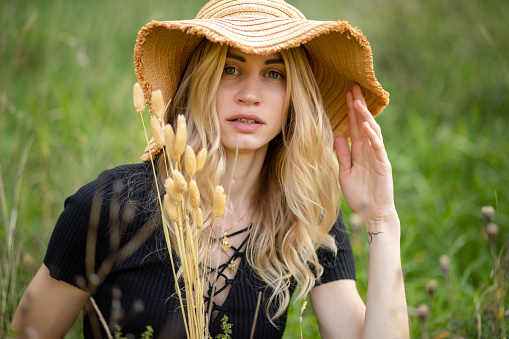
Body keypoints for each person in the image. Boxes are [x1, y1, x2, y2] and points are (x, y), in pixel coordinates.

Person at [12, 0, 409, 338]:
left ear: (294, 100)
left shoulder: (304, 218)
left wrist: (382, 219)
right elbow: (29, 331)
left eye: (274, 74)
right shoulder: (112, 204)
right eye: (230, 69)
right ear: (198, 81)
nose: (250, 95)